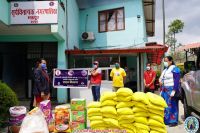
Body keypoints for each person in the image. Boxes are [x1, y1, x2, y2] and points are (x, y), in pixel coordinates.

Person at [159, 56, 181, 126]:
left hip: (171, 89)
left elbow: (177, 80)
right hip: (165, 90)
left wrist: (174, 90)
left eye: (166, 61)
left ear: (171, 61)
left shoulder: (175, 69)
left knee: (173, 105)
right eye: (164, 61)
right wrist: (160, 81)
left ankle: (174, 121)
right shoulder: (165, 70)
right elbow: (161, 78)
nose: (165, 62)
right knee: (166, 106)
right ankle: (167, 120)